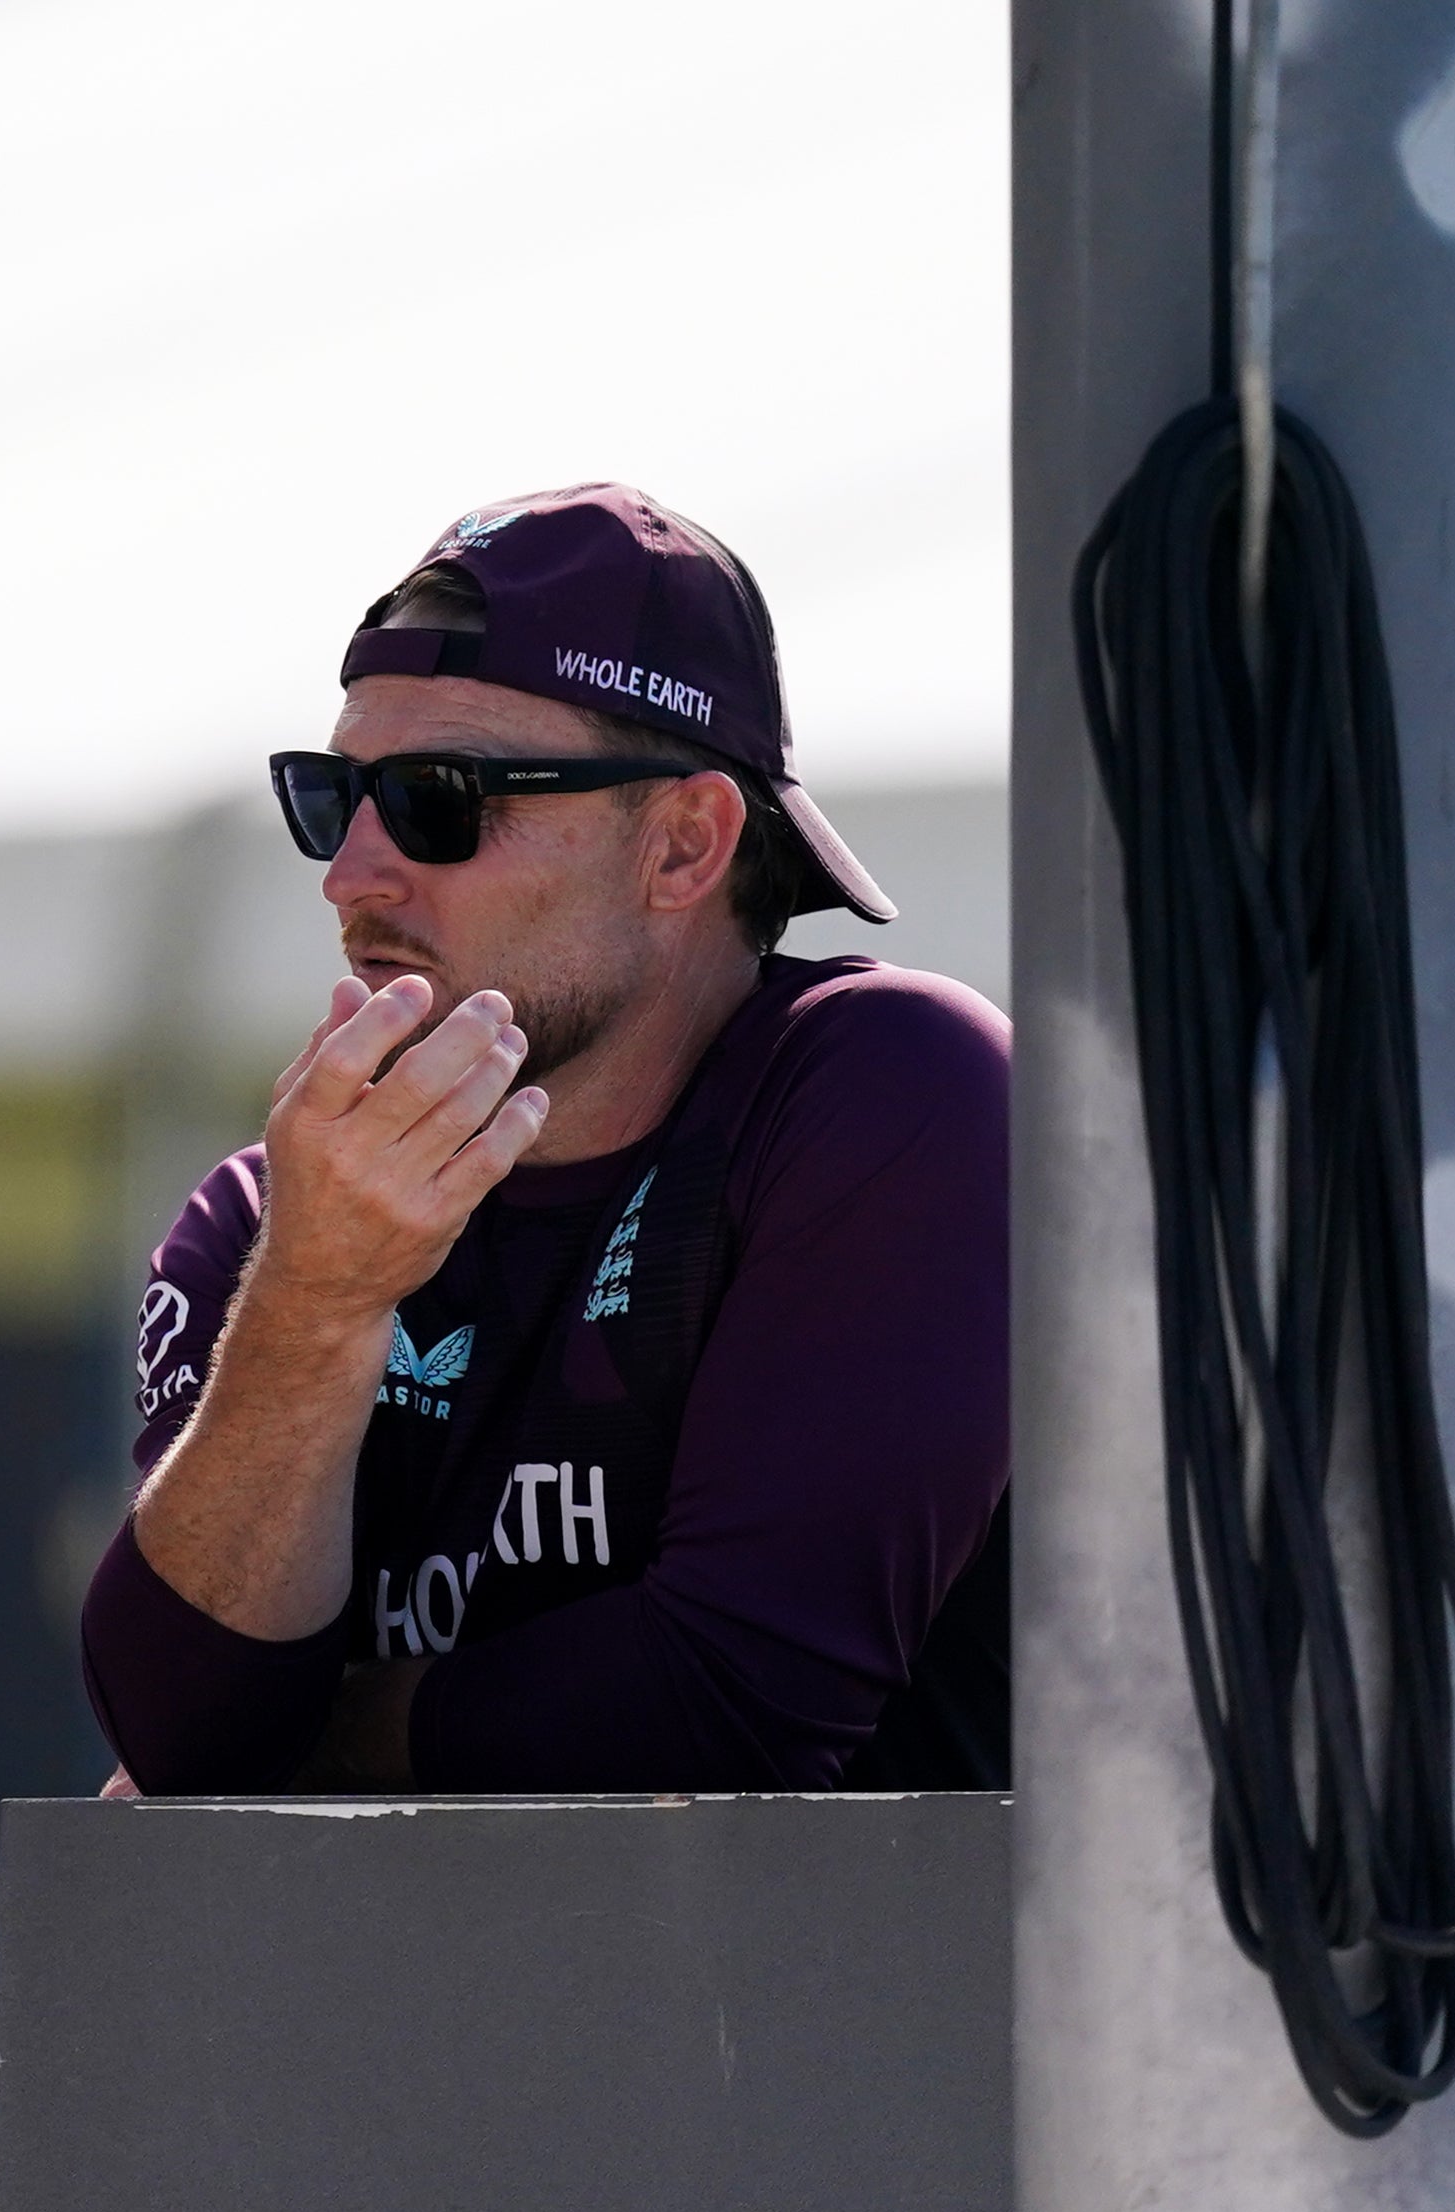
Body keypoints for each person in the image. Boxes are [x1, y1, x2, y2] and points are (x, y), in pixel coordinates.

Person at [83, 482, 1007, 1797]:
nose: (350, 876)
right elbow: (176, 1725)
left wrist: (301, 1748)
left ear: (682, 845)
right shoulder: (270, 1223)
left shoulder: (886, 1084)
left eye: (438, 797)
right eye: (330, 796)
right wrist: (314, 1305)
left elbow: (724, 1709)